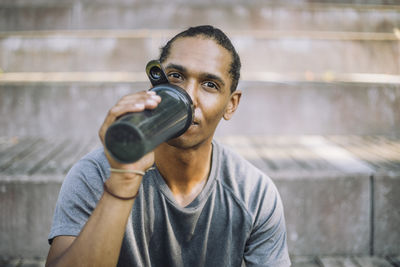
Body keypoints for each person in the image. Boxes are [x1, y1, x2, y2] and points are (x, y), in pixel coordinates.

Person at [46, 25, 291, 267]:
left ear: (231, 105)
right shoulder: (95, 173)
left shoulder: (254, 194)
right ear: (156, 85)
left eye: (210, 84)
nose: (188, 96)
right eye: (176, 76)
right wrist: (122, 180)